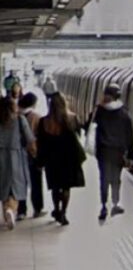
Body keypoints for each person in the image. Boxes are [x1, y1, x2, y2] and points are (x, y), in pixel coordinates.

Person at [35, 93, 84, 226]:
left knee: (55, 187)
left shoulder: (44, 121)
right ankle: (63, 212)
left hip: (52, 160)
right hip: (69, 159)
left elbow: (41, 143)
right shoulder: (72, 118)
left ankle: (56, 209)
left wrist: (40, 161)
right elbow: (79, 134)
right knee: (66, 187)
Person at [90, 84, 133, 220]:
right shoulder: (124, 113)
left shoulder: (99, 111)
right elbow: (129, 136)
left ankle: (104, 206)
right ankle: (115, 203)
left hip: (103, 151)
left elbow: (88, 125)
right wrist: (132, 155)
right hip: (118, 152)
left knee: (104, 178)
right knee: (116, 178)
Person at [0, 97, 36, 230]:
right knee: (16, 188)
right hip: (16, 157)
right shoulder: (20, 119)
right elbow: (30, 139)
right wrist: (35, 153)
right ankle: (11, 210)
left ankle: (6, 212)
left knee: (3, 187)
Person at [16, 93, 45, 219]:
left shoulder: (14, 116)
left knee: (20, 182)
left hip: (17, 154)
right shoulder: (36, 117)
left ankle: (21, 211)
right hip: (33, 153)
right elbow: (40, 137)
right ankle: (37, 209)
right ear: (33, 103)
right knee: (36, 182)